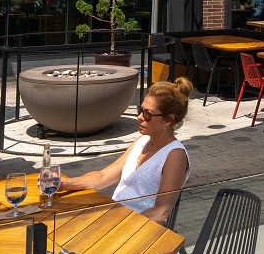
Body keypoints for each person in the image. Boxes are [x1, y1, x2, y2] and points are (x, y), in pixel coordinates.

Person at [59, 79, 193, 224]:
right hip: (115, 218)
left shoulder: (175, 154)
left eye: (148, 114)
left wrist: (118, 224)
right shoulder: (141, 141)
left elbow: (161, 212)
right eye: (140, 110)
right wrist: (64, 183)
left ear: (168, 120)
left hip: (138, 229)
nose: (139, 117)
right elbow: (103, 176)